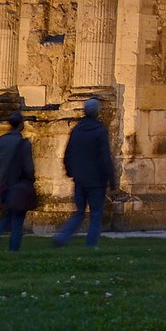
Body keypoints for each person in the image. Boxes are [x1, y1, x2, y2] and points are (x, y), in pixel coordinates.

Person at [52, 98, 116, 248]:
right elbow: (105, 157)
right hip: (96, 180)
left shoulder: (77, 130)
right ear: (97, 112)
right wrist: (111, 179)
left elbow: (68, 153)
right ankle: (91, 244)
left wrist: (70, 171)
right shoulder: (100, 131)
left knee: (80, 211)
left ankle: (63, 236)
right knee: (95, 213)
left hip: (80, 178)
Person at [0, 112, 35, 251]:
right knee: (17, 219)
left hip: (4, 183)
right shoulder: (23, 143)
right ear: (21, 125)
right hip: (19, 184)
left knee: (7, 214)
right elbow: (28, 167)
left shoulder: (1, 141)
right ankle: (13, 250)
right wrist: (31, 179)